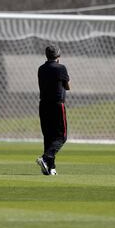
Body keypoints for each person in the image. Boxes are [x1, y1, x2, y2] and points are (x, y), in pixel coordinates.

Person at [36, 45, 70, 176]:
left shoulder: (41, 68)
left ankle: (50, 167)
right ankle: (45, 158)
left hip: (43, 105)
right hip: (57, 105)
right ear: (58, 56)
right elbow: (67, 87)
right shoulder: (61, 68)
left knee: (48, 136)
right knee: (61, 136)